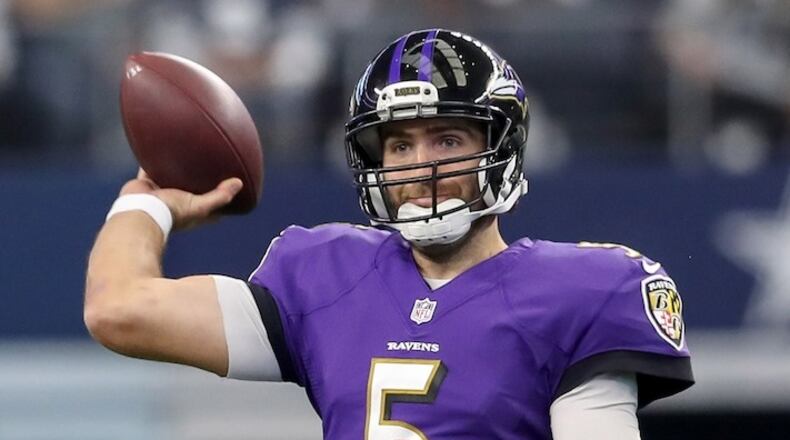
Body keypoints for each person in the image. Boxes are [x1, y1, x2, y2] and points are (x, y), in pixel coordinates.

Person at [85, 29, 693, 439]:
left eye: (447, 139)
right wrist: (147, 205)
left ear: (501, 149)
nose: (420, 166)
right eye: (400, 144)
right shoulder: (324, 278)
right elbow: (119, 309)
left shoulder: (584, 291)